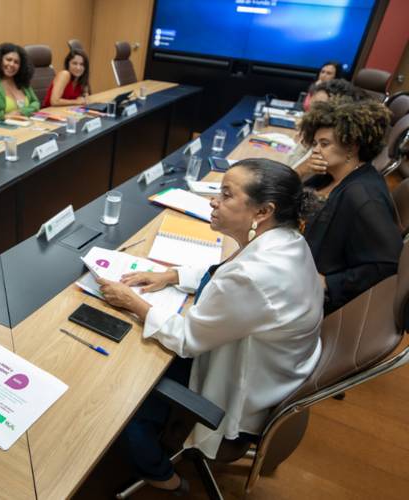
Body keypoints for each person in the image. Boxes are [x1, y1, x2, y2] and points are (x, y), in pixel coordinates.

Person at [97, 159, 323, 493]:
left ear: (262, 212)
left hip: (239, 389)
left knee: (115, 397)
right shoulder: (285, 240)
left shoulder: (257, 275)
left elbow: (188, 339)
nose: (214, 201)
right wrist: (171, 275)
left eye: (227, 195)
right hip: (269, 366)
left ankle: (165, 479)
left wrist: (132, 302)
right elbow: (225, 273)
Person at [299, 99, 402, 314]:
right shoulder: (326, 176)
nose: (316, 151)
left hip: (311, 299)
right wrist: (301, 171)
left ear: (351, 146)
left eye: (324, 144)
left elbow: (388, 264)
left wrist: (330, 283)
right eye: (315, 144)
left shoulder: (363, 196)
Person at [290, 82, 372, 176]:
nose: (309, 115)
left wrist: (301, 170)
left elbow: (283, 182)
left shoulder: (328, 157)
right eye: (311, 108)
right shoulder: (315, 137)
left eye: (319, 108)